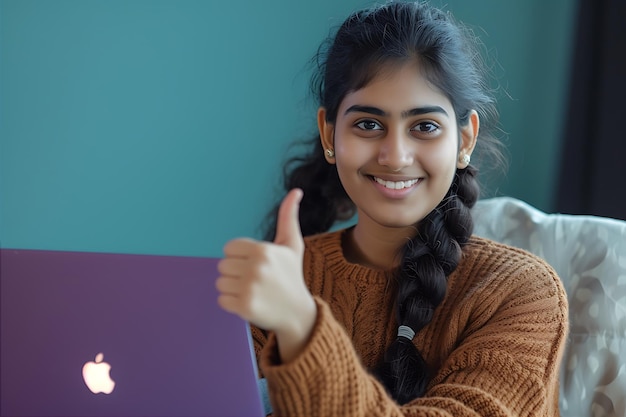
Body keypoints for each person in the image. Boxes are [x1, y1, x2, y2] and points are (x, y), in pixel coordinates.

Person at [215, 1, 569, 415]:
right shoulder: (277, 286)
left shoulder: (521, 295)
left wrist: (302, 326)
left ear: (465, 140)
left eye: (425, 127)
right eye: (368, 124)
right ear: (329, 135)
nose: (395, 155)